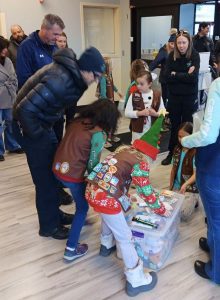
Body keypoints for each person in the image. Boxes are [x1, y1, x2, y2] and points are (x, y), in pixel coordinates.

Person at [13, 46, 105, 239]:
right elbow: (24, 111)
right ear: (85, 69)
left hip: (42, 124)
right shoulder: (60, 80)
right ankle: (48, 226)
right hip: (30, 127)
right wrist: (39, 136)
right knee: (45, 180)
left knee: (54, 172)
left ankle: (55, 215)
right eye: (95, 75)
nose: (96, 81)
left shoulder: (74, 78)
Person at [85, 113, 170, 297]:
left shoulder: (124, 151)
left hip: (92, 190)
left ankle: (106, 245)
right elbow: (145, 192)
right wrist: (161, 209)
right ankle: (136, 280)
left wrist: (125, 196)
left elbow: (117, 177)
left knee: (108, 217)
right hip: (106, 197)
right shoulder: (142, 163)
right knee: (125, 237)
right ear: (151, 156)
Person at [52, 99, 120, 261]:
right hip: (72, 175)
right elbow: (92, 163)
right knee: (82, 207)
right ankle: (71, 249)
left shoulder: (76, 121)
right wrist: (98, 179)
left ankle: (82, 220)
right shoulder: (98, 133)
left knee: (80, 201)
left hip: (57, 168)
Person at [16, 14, 72, 204]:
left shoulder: (54, 47)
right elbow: (24, 80)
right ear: (45, 29)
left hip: (54, 110)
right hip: (37, 113)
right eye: (55, 34)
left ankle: (57, 188)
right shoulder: (27, 47)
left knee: (56, 151)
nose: (57, 38)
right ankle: (48, 192)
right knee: (43, 155)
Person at [181, 54, 220, 284]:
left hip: (214, 165)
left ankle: (215, 272)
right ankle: (211, 243)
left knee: (216, 220)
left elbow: (207, 134)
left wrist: (185, 141)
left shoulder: (217, 85)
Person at [162, 30, 200, 166]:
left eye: (184, 42)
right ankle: (172, 152)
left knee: (188, 125)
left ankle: (188, 154)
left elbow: (193, 78)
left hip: (189, 98)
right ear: (175, 44)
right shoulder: (171, 55)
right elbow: (166, 77)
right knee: (175, 127)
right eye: (179, 43)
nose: (181, 45)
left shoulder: (194, 56)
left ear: (189, 42)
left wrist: (175, 74)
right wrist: (184, 75)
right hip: (175, 98)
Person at [170, 122, 199, 221]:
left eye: (184, 137)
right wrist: (171, 187)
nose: (181, 139)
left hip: (190, 187)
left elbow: (196, 174)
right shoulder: (177, 149)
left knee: (183, 214)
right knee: (167, 206)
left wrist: (185, 184)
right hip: (178, 185)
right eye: (179, 136)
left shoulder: (195, 152)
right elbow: (173, 170)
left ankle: (194, 199)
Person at [125, 70, 164, 142]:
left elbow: (163, 112)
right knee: (136, 151)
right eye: (137, 83)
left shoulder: (157, 95)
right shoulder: (133, 95)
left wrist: (156, 114)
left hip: (152, 131)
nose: (138, 86)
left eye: (141, 84)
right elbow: (127, 113)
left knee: (149, 150)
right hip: (137, 133)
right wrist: (139, 113)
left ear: (149, 84)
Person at [0, 36, 23, 162]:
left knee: (10, 122)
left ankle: (13, 146)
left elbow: (14, 76)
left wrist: (13, 86)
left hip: (9, 95)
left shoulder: (8, 60)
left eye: (5, 48)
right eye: (2, 48)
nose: (5, 50)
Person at [55, 32, 76, 130]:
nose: (62, 44)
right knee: (58, 122)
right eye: (60, 41)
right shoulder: (51, 55)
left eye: (64, 41)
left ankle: (68, 142)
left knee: (71, 120)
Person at [149, 34, 176, 108]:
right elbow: (155, 62)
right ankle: (163, 113)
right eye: (171, 43)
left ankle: (170, 112)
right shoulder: (164, 51)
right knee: (165, 96)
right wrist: (147, 70)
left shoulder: (176, 51)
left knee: (172, 97)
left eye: (174, 44)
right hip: (165, 78)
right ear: (168, 43)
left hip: (174, 78)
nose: (173, 46)